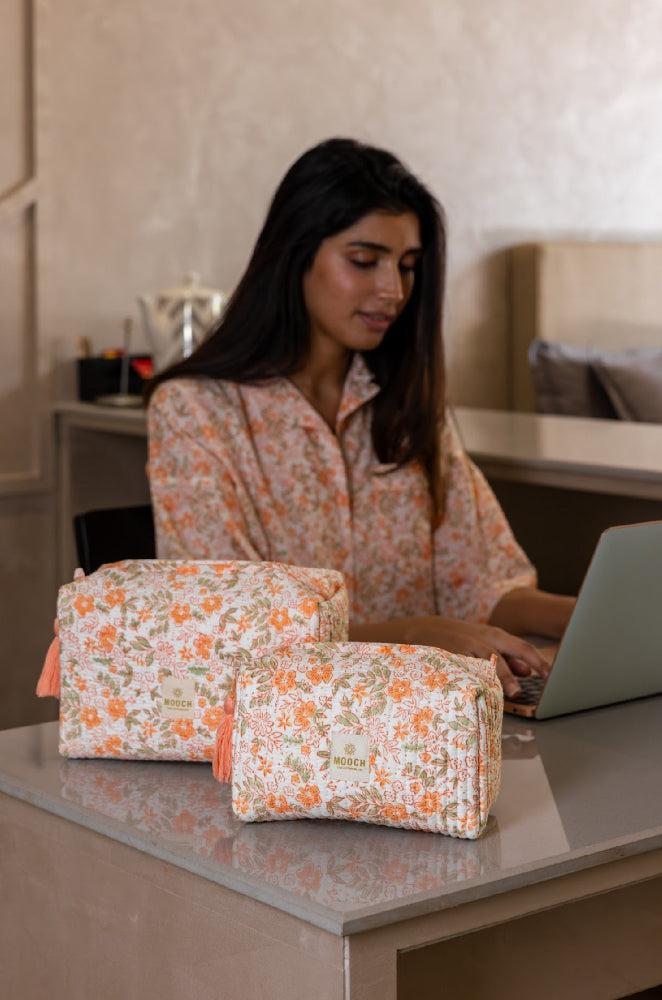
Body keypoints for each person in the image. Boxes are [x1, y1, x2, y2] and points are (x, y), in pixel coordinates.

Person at [146, 137, 575, 698]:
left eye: (408, 266)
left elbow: (482, 582)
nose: (392, 290)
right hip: (286, 740)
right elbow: (235, 632)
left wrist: (589, 616)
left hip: (430, 732)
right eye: (364, 261)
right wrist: (420, 636)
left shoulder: (406, 405)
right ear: (296, 254)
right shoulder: (193, 412)